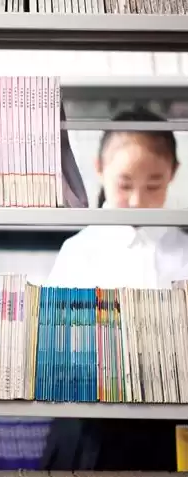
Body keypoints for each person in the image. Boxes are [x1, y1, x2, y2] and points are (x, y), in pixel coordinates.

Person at [41, 107, 187, 472]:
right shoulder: (78, 250)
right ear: (100, 170)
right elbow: (50, 344)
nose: (138, 200)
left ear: (173, 174)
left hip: (170, 429)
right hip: (88, 428)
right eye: (124, 185)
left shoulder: (184, 252)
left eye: (153, 185)